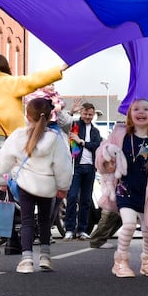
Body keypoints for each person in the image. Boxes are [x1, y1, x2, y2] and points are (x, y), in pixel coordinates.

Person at [0, 54, 66, 255]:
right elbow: (33, 80)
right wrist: (59, 69)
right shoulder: (8, 82)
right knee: (9, 190)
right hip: (2, 140)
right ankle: (12, 241)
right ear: (5, 68)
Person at [0, 98, 72, 273]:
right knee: (45, 221)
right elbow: (62, 165)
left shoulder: (18, 136)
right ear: (50, 115)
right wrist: (63, 187)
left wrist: (1, 180)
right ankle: (45, 256)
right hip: (48, 185)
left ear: (27, 116)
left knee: (27, 220)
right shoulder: (55, 138)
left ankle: (27, 260)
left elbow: (4, 159)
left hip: (25, 184)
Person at [101, 99, 148, 277]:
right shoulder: (121, 135)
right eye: (136, 109)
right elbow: (103, 154)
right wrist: (107, 152)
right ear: (130, 115)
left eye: (146, 109)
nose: (141, 112)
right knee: (129, 224)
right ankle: (120, 262)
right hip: (125, 188)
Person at [63, 102, 101, 240]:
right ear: (81, 113)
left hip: (90, 168)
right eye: (85, 114)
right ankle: (69, 229)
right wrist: (71, 112)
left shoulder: (96, 131)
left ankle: (82, 230)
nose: (87, 116)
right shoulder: (75, 126)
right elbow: (63, 123)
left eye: (90, 114)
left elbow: (96, 146)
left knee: (86, 200)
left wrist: (81, 141)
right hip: (75, 167)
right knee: (72, 198)